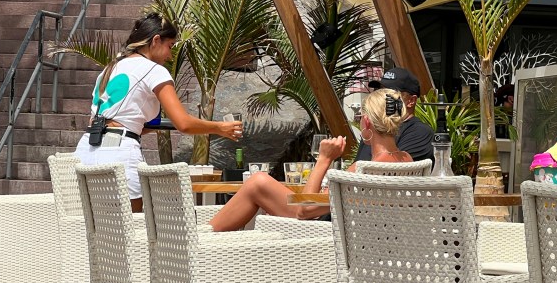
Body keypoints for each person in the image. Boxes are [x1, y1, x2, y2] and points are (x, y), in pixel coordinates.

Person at [74, 12, 242, 212]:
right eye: (170, 46)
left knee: (95, 228)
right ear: (155, 40)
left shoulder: (111, 68)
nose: (170, 55)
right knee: (131, 230)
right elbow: (184, 123)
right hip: (119, 154)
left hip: (86, 150)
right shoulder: (154, 70)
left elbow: (112, 119)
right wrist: (220, 128)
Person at [209, 88, 412, 232]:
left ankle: (204, 240)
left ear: (366, 122)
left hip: (326, 240)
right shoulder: (407, 161)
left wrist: (324, 159)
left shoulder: (364, 169)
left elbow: (305, 210)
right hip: (377, 243)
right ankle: (207, 237)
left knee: (257, 182)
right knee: (260, 186)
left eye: (360, 117)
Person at [355, 67, 434, 163]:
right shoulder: (373, 128)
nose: (381, 97)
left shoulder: (420, 132)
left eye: (390, 94)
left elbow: (390, 169)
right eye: (379, 91)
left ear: (411, 101)